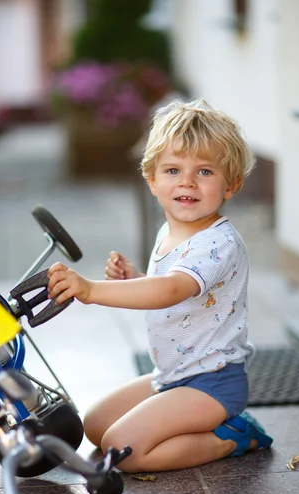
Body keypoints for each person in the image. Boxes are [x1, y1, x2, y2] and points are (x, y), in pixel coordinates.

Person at [47, 98, 273, 473]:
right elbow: (171, 291)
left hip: (213, 384)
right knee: (95, 425)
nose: (186, 181)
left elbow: (171, 290)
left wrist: (90, 289)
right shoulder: (170, 233)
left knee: (123, 450)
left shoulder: (218, 242)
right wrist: (136, 280)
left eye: (204, 172)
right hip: (172, 376)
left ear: (231, 184)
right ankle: (180, 424)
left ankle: (233, 436)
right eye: (172, 169)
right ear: (152, 181)